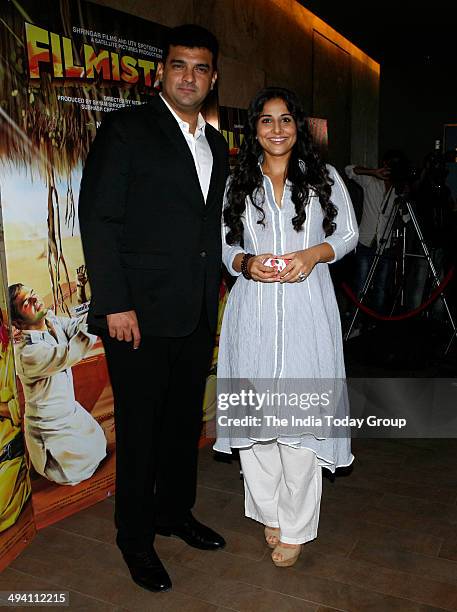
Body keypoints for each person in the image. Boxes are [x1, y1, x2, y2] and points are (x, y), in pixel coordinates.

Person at [78, 24, 229, 592]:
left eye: (200, 68)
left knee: (181, 421)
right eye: (178, 65)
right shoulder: (126, 130)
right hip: (135, 314)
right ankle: (135, 538)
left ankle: (174, 513)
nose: (189, 76)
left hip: (194, 310)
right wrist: (115, 303)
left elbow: (205, 227)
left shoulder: (216, 144)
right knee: (140, 430)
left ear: (212, 78)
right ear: (160, 72)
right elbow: (98, 219)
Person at [214, 87, 358, 567]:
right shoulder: (238, 181)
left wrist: (313, 254)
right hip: (251, 316)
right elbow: (224, 247)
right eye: (266, 121)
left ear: (298, 127)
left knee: (299, 426)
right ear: (253, 129)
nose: (277, 130)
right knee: (254, 429)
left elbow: (349, 234)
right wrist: (246, 262)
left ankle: (295, 527)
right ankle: (269, 513)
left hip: (306, 314)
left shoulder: (324, 178)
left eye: (286, 120)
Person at [9, 284, 106, 486]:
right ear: (17, 322)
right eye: (26, 302)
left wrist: (92, 314)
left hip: (72, 416)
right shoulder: (28, 354)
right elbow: (71, 352)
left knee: (99, 448)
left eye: (33, 293)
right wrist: (98, 316)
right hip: (51, 431)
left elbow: (75, 326)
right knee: (73, 470)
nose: (35, 300)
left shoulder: (51, 321)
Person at [345, 150, 408, 313]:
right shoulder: (371, 181)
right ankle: (355, 321)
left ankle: (374, 324)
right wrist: (373, 172)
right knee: (361, 285)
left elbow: (406, 218)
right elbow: (349, 170)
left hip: (385, 244)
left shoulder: (398, 189)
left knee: (380, 287)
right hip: (366, 241)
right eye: (387, 165)